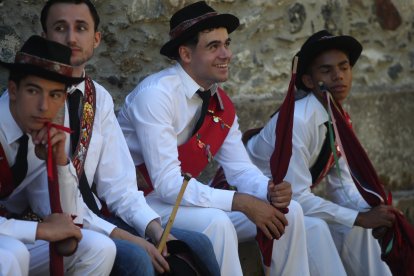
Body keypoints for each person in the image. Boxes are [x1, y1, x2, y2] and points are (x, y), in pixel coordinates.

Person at [117, 1, 310, 275]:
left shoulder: (221, 103)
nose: (226, 54)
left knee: (292, 212)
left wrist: (266, 190)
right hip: (139, 202)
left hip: (175, 199)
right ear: (185, 53)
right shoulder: (156, 95)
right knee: (216, 222)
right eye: (213, 46)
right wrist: (242, 202)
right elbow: (167, 185)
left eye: (226, 43)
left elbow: (240, 169)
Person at [39, 0, 220, 275]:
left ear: (96, 39)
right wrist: (130, 238)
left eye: (81, 28)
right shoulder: (31, 101)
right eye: (60, 28)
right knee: (137, 258)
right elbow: (50, 201)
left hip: (98, 217)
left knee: (197, 244)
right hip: (49, 222)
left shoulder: (97, 96)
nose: (71, 38)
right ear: (44, 37)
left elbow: (119, 187)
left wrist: (154, 228)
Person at [245, 30, 395, 275]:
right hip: (253, 203)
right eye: (326, 70)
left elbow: (342, 187)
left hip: (289, 204)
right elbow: (296, 198)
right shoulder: (298, 120)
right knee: (317, 227)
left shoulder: (337, 117)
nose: (338, 76)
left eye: (344, 67)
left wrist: (375, 211)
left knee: (362, 221)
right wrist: (359, 218)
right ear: (308, 80)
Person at [0, 35, 116, 276]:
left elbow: (69, 218)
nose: (44, 106)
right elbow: (47, 229)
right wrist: (39, 231)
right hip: (8, 246)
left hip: (8, 235)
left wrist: (60, 162)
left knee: (99, 248)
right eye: (33, 91)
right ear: (13, 90)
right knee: (11, 254)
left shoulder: (43, 135)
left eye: (54, 95)